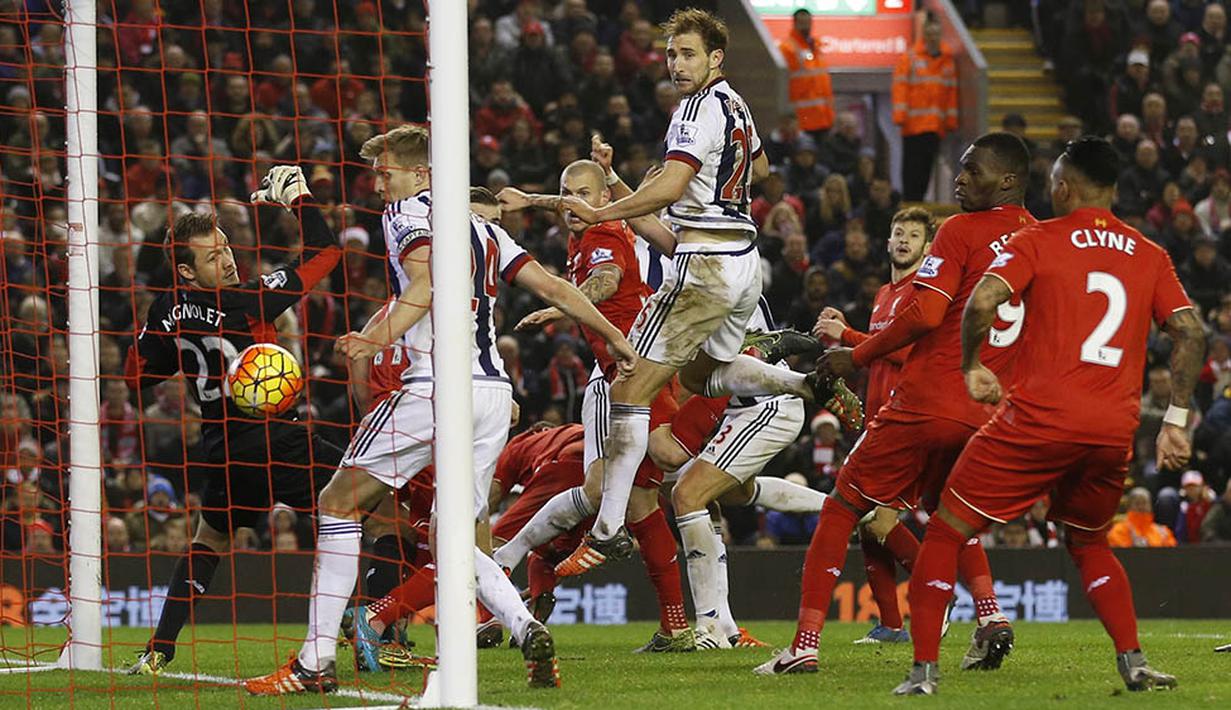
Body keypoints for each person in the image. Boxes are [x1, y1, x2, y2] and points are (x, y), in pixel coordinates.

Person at [242, 124, 637, 694]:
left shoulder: (407, 214)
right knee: (455, 535)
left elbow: (425, 284)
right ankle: (524, 625)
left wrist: (378, 338)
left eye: (387, 173)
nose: (379, 184)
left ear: (421, 175)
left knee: (337, 502)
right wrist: (616, 337)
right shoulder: (485, 229)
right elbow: (554, 288)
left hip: (434, 386)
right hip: (491, 394)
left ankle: (314, 663)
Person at [556, 8, 861, 575]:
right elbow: (761, 166)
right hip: (743, 260)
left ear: (715, 57)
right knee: (701, 377)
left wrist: (603, 210)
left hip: (704, 264)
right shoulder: (737, 104)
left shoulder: (694, 110)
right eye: (671, 54)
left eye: (688, 54)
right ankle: (806, 382)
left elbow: (672, 185)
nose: (676, 64)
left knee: (629, 386)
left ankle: (607, 529)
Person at [895, 135, 1201, 695]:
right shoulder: (1150, 254)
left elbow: (983, 300)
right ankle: (1134, 663)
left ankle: (923, 674)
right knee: (1089, 544)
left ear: (1062, 188)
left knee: (945, 531)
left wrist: (971, 366)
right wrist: (1176, 420)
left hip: (1038, 420)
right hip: (1111, 430)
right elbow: (1189, 331)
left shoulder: (1038, 238)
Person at [755, 133, 1035, 677]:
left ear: (1007, 180)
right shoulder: (1038, 238)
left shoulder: (960, 231)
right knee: (950, 514)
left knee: (842, 508)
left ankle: (804, 646)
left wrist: (854, 353)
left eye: (972, 170)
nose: (958, 179)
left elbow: (926, 316)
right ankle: (989, 615)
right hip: (983, 410)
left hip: (926, 401)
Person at [125, 166, 342, 675]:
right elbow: (327, 253)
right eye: (213, 256)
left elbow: (136, 377)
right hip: (277, 438)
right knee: (371, 507)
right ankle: (375, 622)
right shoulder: (250, 300)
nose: (227, 260)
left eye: (225, 248)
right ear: (185, 270)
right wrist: (300, 199)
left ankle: (159, 648)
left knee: (210, 540)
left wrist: (182, 348)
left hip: (223, 450)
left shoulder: (165, 309)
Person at [497, 147, 699, 652]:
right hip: (638, 365)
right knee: (641, 499)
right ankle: (676, 625)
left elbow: (605, 282)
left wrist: (560, 305)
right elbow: (570, 202)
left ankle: (513, 553)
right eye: (567, 194)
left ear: (605, 197)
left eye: (584, 195)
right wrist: (531, 200)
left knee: (627, 475)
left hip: (627, 372)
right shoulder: (586, 222)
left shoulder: (602, 235)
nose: (572, 203)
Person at [812, 206, 937, 644]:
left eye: (914, 235)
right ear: (887, 242)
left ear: (927, 247)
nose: (904, 240)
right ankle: (891, 623)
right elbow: (878, 356)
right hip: (879, 417)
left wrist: (846, 336)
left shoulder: (922, 292)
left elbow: (907, 354)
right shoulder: (885, 293)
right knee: (867, 522)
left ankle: (937, 592)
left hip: (908, 421)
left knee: (875, 521)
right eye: (899, 232)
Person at [893, 14, 958, 201]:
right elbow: (900, 86)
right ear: (924, 35)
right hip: (913, 125)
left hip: (935, 126)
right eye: (929, 34)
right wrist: (900, 116)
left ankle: (918, 199)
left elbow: (951, 93)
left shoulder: (947, 61)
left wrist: (951, 121)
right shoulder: (910, 58)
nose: (933, 38)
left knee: (926, 167)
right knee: (911, 166)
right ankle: (910, 199)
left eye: (936, 34)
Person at [777, 8, 834, 142]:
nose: (806, 26)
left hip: (823, 118)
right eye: (802, 23)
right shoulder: (787, 48)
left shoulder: (815, 46)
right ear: (795, 23)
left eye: (808, 22)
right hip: (802, 120)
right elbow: (784, 84)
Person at [1107, 487, 1178, 548]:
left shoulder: (1164, 532)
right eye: (1137, 503)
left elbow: (1172, 554)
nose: (1141, 507)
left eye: (1144, 503)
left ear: (1151, 506)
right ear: (1129, 506)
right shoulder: (1118, 531)